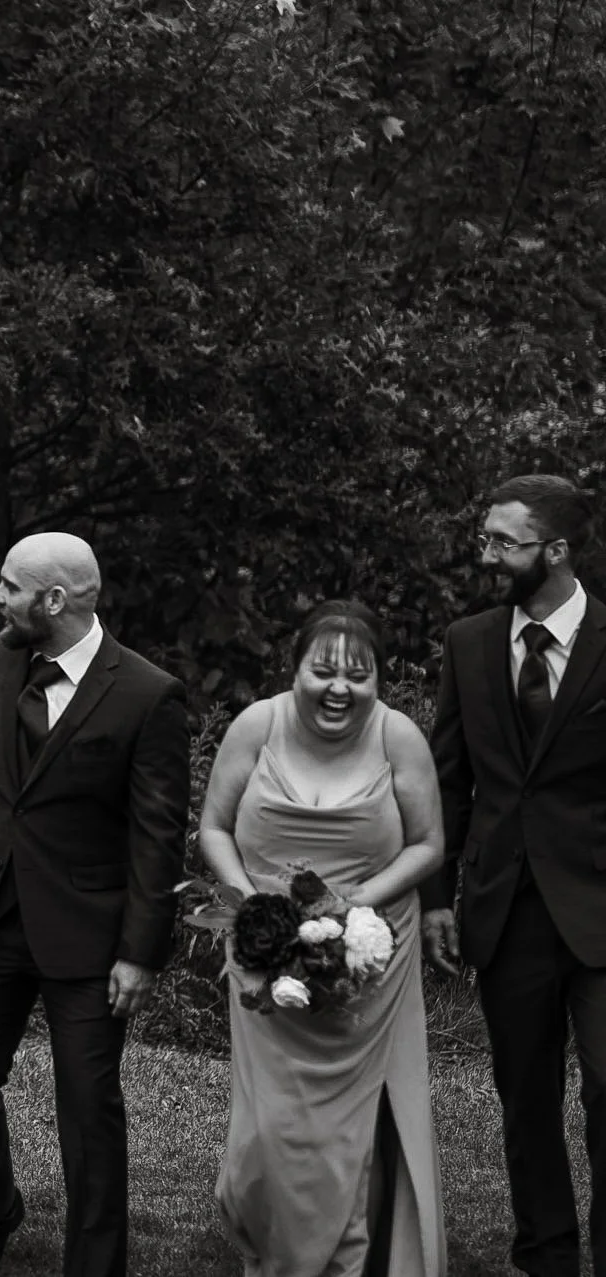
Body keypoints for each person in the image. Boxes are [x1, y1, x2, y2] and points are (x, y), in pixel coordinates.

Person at [0, 532, 189, 1277]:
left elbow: (157, 839)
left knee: (88, 1104)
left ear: (54, 600)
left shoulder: (146, 693)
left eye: (9, 586)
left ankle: (94, 1265)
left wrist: (139, 949)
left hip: (89, 932)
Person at [198, 600, 446, 1275]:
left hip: (367, 962)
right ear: (295, 668)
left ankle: (342, 1259)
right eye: (324, 669)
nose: (340, 687)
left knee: (345, 1134)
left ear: (378, 682)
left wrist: (352, 906)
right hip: (264, 955)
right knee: (264, 1133)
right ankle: (268, 1244)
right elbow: (214, 828)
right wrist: (250, 902)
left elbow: (428, 844)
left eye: (359, 675)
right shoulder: (257, 725)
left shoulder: (398, 738)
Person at [421, 474, 606, 1277]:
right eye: (485, 538)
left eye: (503, 541)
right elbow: (447, 778)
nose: (486, 554)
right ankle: (546, 1255)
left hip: (602, 905)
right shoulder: (467, 643)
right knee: (525, 1100)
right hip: (505, 906)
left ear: (556, 551)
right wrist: (435, 898)